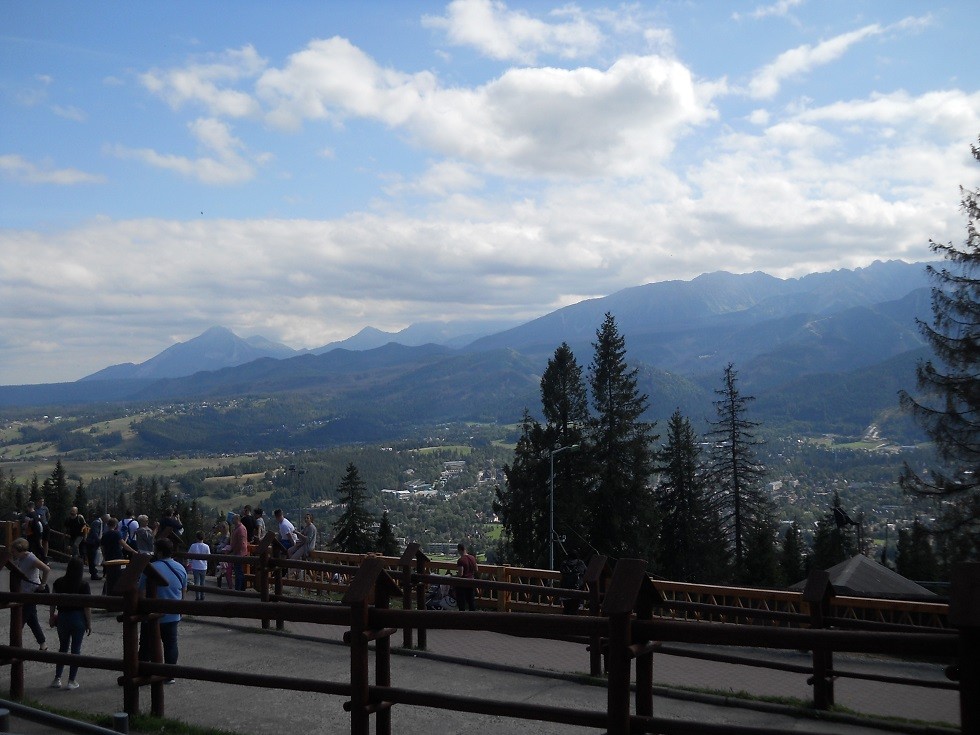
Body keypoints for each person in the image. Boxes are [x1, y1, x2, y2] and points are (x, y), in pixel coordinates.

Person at [138, 537, 187, 682]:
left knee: (146, 645)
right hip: (172, 613)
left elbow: (140, 591)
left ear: (158, 552)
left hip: (151, 614)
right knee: (171, 644)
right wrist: (181, 608)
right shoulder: (180, 568)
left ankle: (145, 673)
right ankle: (170, 674)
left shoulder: (150, 568)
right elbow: (183, 590)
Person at [48, 557, 91, 690]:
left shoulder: (58, 582)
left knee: (63, 648)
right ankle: (71, 680)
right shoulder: (83, 585)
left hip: (63, 617)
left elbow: (53, 601)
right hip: (78, 617)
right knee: (75, 650)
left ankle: (57, 678)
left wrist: (51, 616)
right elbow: (87, 607)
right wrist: (89, 623)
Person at [10, 537, 49, 649]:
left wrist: (43, 584)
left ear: (20, 550)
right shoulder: (19, 559)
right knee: (32, 620)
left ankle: (14, 646)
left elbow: (46, 569)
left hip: (31, 593)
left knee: (20, 620)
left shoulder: (31, 558)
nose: (12, 553)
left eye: (14, 551)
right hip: (24, 593)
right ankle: (43, 643)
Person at [559, 549, 588, 615]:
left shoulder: (564, 563)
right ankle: (573, 624)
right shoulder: (580, 563)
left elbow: (561, 571)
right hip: (577, 590)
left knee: (566, 609)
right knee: (574, 610)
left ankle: (564, 623)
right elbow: (586, 571)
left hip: (565, 590)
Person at [188, 531, 210, 600]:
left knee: (196, 582)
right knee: (202, 582)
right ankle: (202, 596)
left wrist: (189, 562)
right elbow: (208, 556)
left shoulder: (193, 546)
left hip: (195, 566)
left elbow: (189, 554)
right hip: (203, 566)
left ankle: (197, 597)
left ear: (196, 537)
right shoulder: (206, 546)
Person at [455, 543, 478, 611]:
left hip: (462, 583)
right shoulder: (472, 558)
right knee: (471, 601)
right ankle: (473, 617)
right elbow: (476, 569)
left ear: (459, 550)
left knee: (461, 602)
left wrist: (454, 576)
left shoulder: (461, 560)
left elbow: (460, 574)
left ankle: (462, 617)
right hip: (471, 581)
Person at [230, 513, 248, 591]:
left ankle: (239, 588)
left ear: (237, 519)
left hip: (239, 553)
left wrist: (236, 550)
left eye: (233, 519)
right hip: (237, 551)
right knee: (238, 571)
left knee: (239, 571)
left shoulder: (240, 529)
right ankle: (240, 587)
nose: (232, 521)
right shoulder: (237, 528)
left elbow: (241, 542)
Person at [84, 514, 105, 580]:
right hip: (92, 543)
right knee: (92, 558)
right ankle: (93, 573)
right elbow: (95, 533)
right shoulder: (97, 523)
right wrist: (99, 541)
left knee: (92, 558)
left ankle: (93, 572)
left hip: (92, 543)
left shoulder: (99, 522)